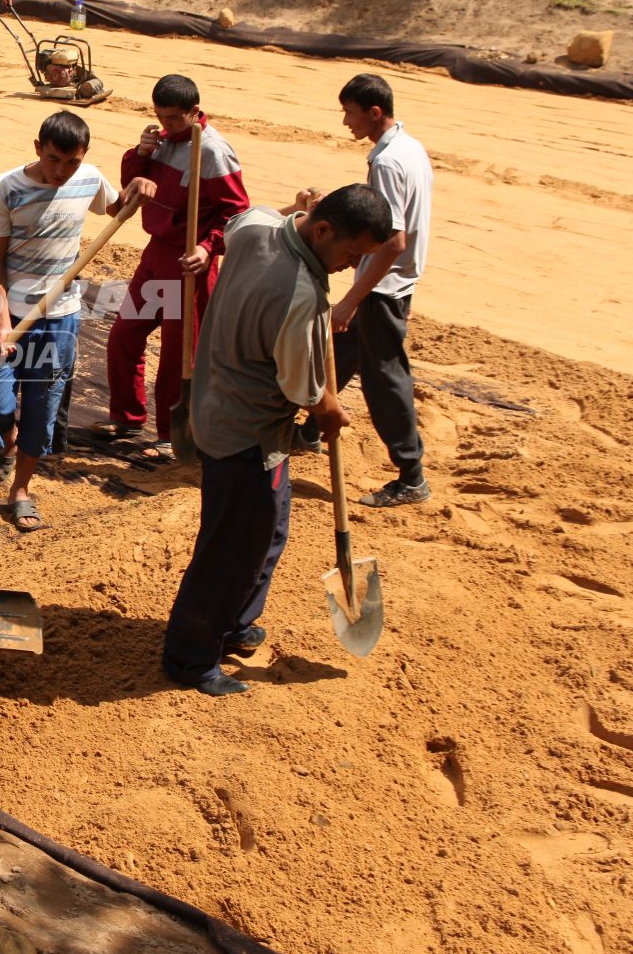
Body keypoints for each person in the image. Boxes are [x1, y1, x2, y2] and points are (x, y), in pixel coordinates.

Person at [162, 185, 394, 696]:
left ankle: (237, 621)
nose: (348, 268)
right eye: (350, 256)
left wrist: (296, 204)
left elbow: (250, 213)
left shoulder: (257, 228)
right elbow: (301, 387)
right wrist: (329, 410)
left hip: (222, 408)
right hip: (245, 434)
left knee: (268, 528)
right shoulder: (302, 296)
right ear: (323, 229)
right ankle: (191, 659)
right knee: (231, 550)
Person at [0, 110, 138, 532]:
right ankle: (6, 448)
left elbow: (118, 208)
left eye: (72, 162)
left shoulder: (89, 179)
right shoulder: (5, 187)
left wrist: (137, 185)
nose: (61, 171)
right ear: (37, 149)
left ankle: (22, 490)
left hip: (60, 316)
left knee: (42, 405)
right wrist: (1, 323)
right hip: (8, 310)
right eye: (53, 160)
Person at [298, 73, 435, 508]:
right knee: (342, 356)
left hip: (382, 287)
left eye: (349, 112)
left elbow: (392, 239)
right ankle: (307, 431)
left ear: (374, 112)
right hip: (392, 281)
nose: (345, 122)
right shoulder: (408, 148)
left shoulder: (388, 162)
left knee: (385, 379)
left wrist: (350, 300)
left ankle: (411, 475)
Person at [96, 74, 250, 461]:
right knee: (124, 335)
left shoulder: (213, 152)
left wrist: (207, 247)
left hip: (188, 264)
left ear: (195, 112)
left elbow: (237, 213)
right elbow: (131, 185)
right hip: (156, 255)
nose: (167, 126)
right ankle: (128, 417)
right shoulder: (160, 140)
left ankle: (169, 434)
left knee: (178, 356)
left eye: (175, 119)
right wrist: (141, 152)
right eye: (160, 117)